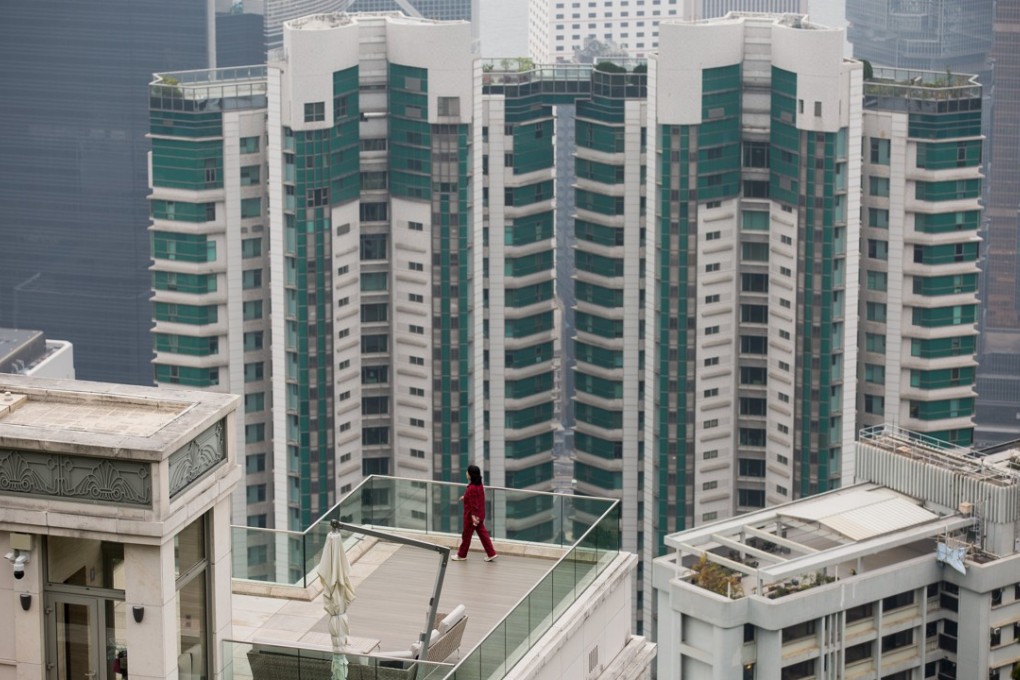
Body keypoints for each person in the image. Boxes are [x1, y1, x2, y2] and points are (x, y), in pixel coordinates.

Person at [451, 465, 497, 562]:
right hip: (480, 514)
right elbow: (476, 498)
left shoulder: (472, 488)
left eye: (467, 472)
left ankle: (461, 555)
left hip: (471, 517)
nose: (466, 474)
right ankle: (491, 553)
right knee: (483, 534)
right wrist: (465, 497)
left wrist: (473, 516)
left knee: (466, 536)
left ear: (471, 474)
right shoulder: (479, 485)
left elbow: (474, 503)